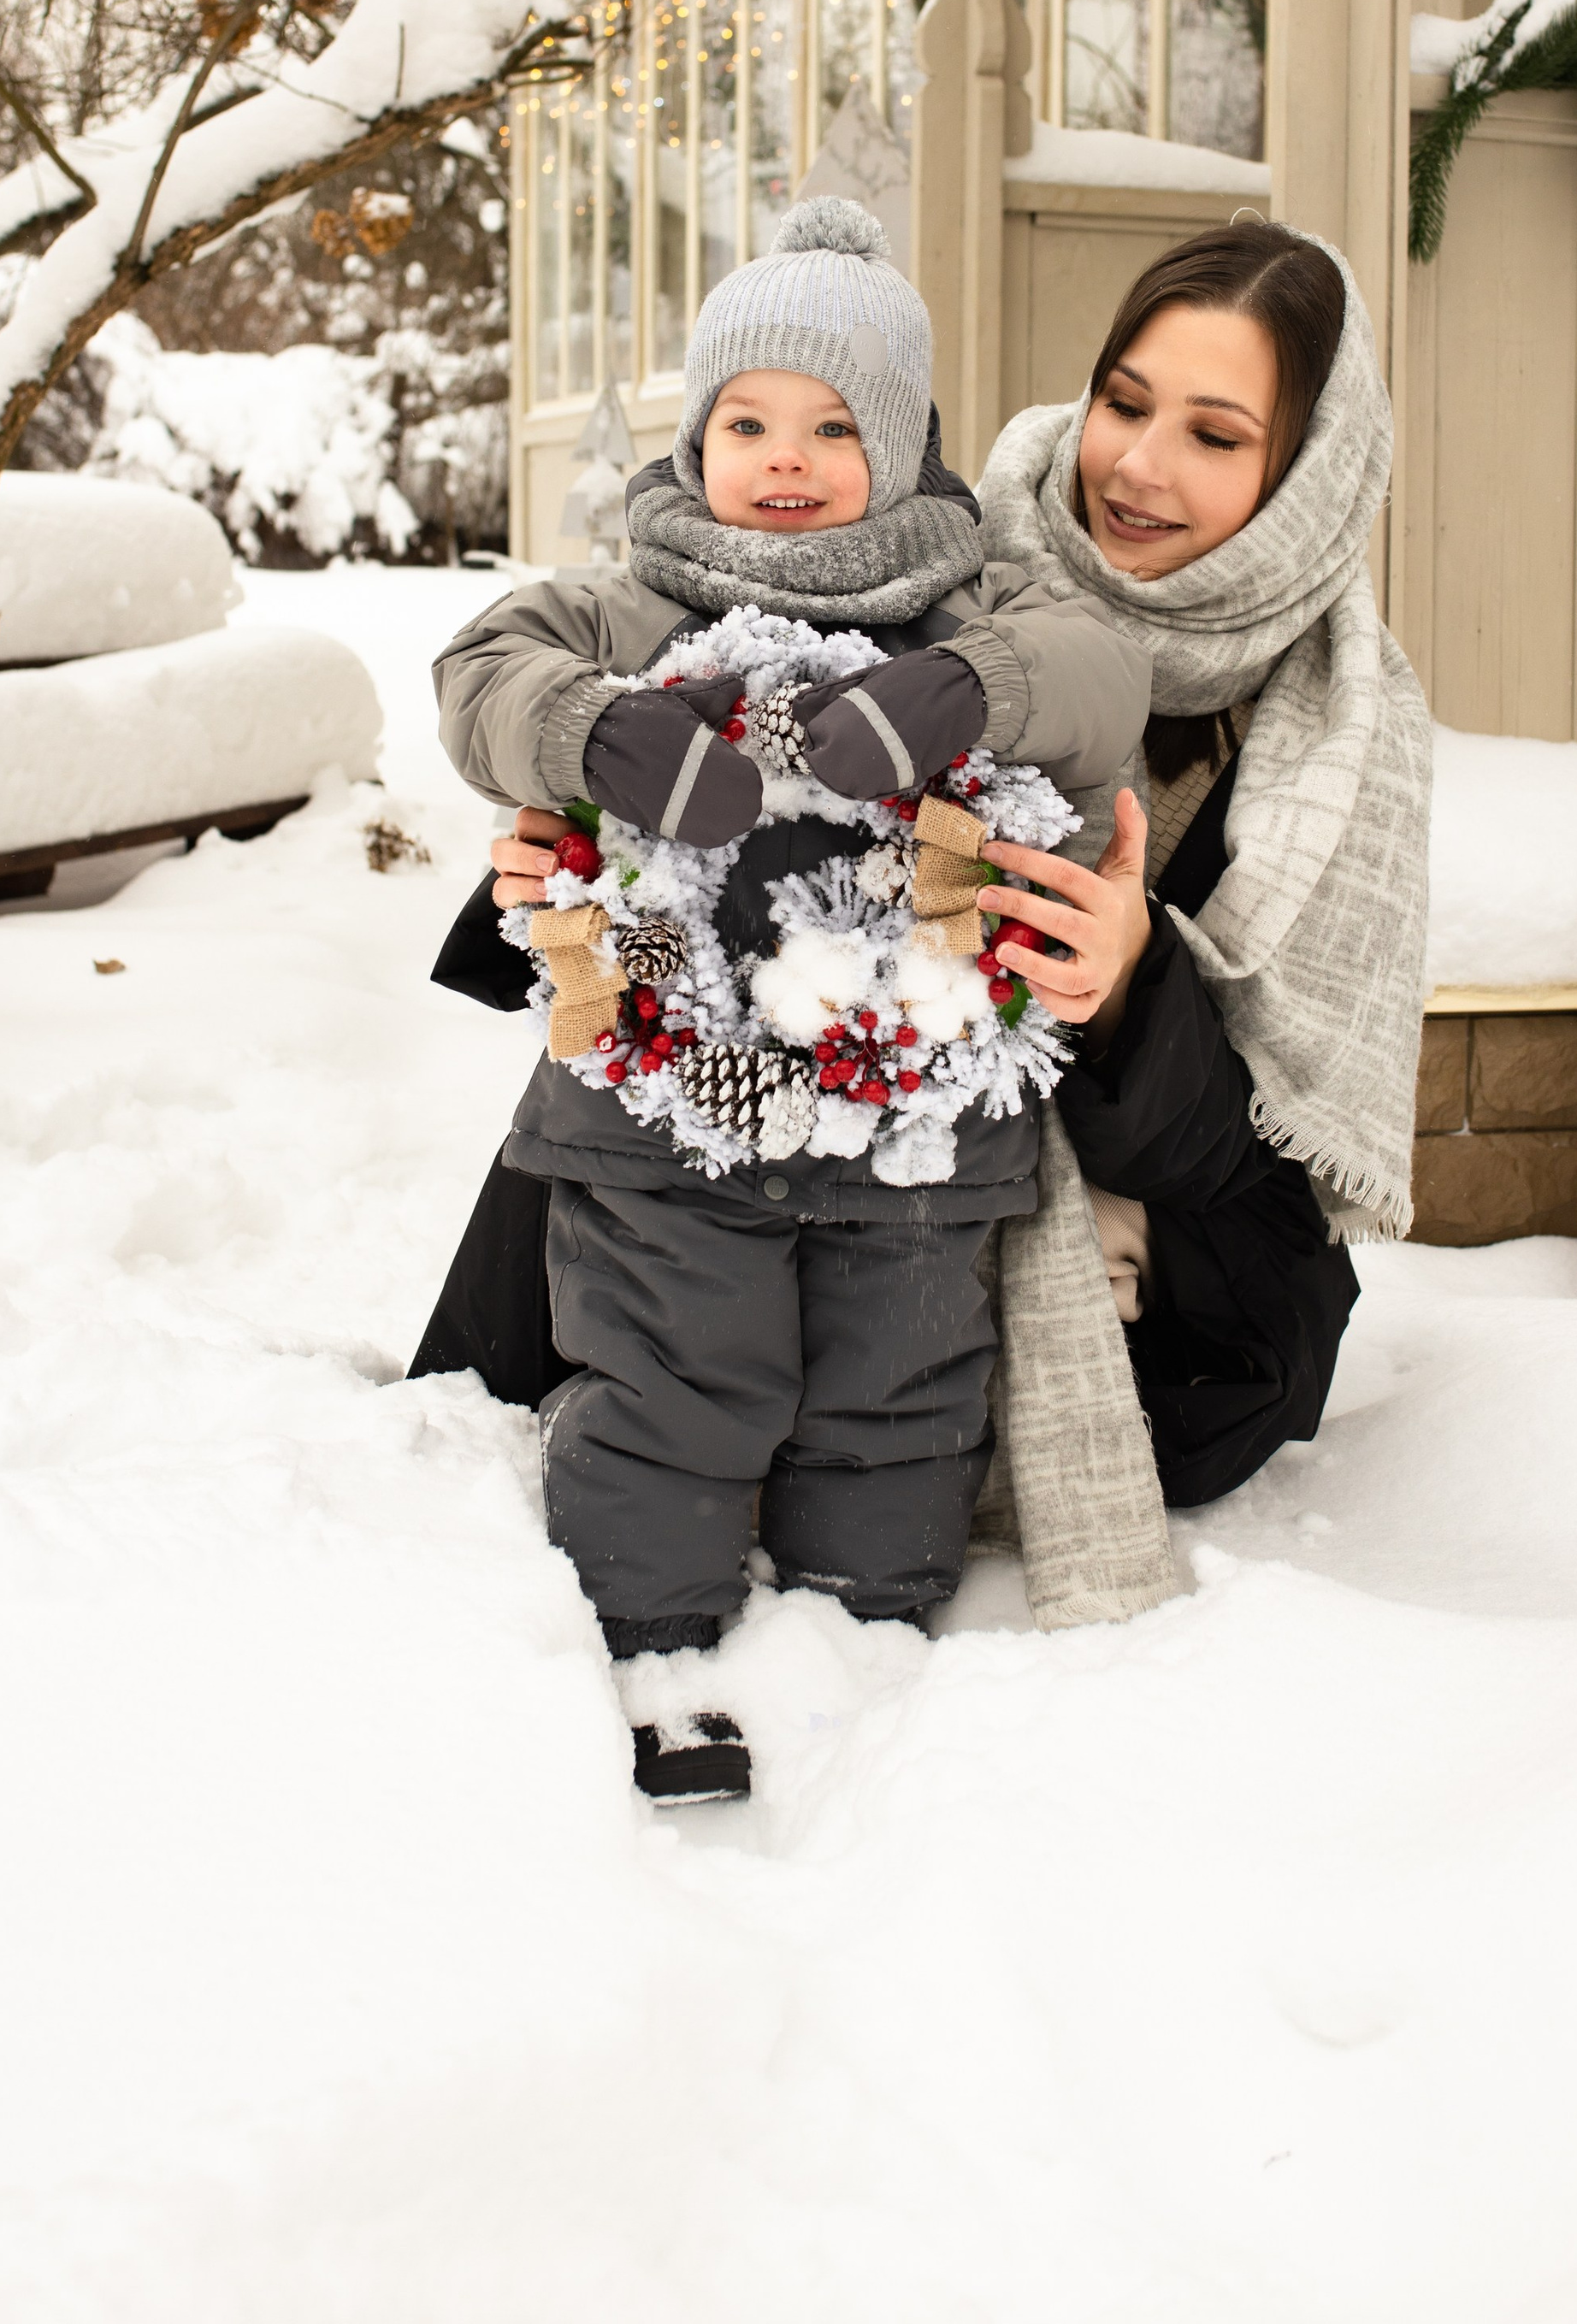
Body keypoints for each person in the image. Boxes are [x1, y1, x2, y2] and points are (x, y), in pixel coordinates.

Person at [427, 199, 1149, 1799]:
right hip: (663, 1122)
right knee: (673, 1372)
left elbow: (1106, 679)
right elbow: (480, 673)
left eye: (835, 427)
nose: (786, 461)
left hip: (916, 1125)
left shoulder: (968, 610)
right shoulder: (633, 607)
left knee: (899, 1389)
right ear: (696, 435)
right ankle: (661, 1645)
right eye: (746, 421)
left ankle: (866, 1647)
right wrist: (591, 731)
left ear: (904, 445)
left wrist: (968, 692)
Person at [971, 219, 1433, 1507]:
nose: (1137, 467)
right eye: (1124, 405)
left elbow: (1264, 1203)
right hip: (849, 1143)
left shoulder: (1341, 733)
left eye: (1216, 437)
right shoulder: (945, 574)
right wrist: (594, 847)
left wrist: (1130, 989)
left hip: (1154, 1232)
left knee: (1213, 1389)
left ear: (1307, 478)